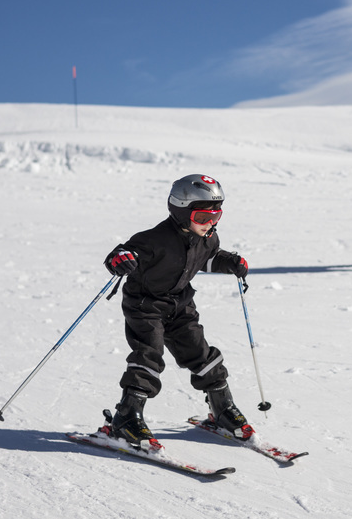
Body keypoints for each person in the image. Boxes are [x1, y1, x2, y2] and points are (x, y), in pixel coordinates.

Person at [102, 174, 252, 450]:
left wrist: (228, 262)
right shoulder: (153, 240)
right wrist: (120, 260)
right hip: (145, 306)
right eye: (204, 216)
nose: (212, 223)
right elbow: (121, 255)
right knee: (149, 355)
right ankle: (126, 417)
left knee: (200, 352)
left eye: (217, 215)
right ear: (181, 211)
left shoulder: (207, 237)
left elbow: (204, 259)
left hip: (180, 304)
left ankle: (221, 407)